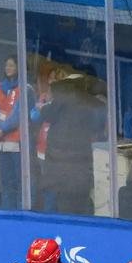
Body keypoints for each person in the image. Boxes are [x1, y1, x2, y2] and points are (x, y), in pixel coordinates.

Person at [33, 72, 98, 215]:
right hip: (81, 160)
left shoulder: (63, 100)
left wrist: (42, 107)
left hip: (62, 161)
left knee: (63, 200)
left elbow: (47, 114)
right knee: (79, 199)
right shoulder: (90, 103)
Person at [0, 56, 39, 210]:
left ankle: (22, 212)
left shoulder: (26, 88)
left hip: (18, 144)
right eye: (7, 65)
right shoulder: (0, 88)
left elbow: (19, 114)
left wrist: (2, 129)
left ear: (19, 68)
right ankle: (7, 212)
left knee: (21, 182)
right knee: (5, 182)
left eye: (11, 65)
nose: (8, 68)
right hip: (2, 144)